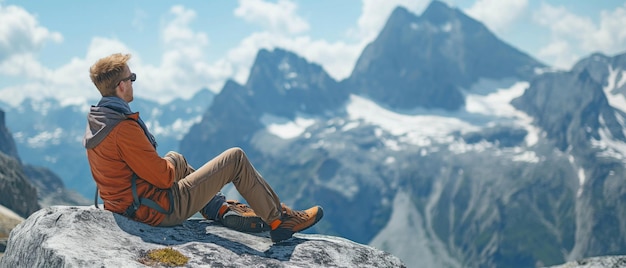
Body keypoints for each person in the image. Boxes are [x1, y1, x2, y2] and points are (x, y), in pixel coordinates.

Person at [83, 53, 323, 243]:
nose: (134, 82)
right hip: (157, 210)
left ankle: (218, 208)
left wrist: (174, 162)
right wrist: (175, 163)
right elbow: (164, 178)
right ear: (121, 86)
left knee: (175, 158)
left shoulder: (100, 121)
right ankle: (279, 220)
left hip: (130, 206)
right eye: (131, 77)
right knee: (235, 158)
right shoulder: (123, 129)